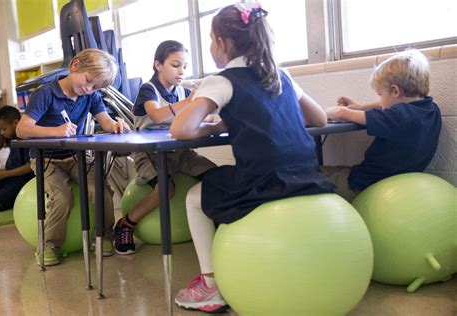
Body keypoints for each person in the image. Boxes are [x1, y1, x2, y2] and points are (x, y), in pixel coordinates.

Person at [170, 3, 335, 313]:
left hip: (261, 181)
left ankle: (210, 286)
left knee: (194, 198)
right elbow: (320, 119)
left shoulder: (222, 79)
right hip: (307, 175)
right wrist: (232, 122)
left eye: (210, 38)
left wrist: (213, 124)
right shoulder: (280, 74)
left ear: (221, 43)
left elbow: (180, 128)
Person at [16, 49, 129, 266]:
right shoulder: (45, 94)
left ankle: (104, 236)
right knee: (62, 197)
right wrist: (55, 131)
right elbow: (22, 129)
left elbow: (104, 120)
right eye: (88, 81)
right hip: (46, 160)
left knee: (101, 188)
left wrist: (115, 125)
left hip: (75, 157)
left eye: (95, 86)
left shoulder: (90, 96)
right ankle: (49, 246)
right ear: (75, 66)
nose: (88, 89)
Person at [114, 40, 216, 255]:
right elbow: (157, 115)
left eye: (185, 67)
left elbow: (191, 119)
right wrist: (190, 101)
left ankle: (217, 221)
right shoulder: (148, 89)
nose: (182, 71)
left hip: (180, 153)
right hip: (149, 154)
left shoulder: (179, 92)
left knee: (216, 175)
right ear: (158, 65)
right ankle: (126, 224)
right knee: (165, 190)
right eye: (175, 65)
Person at [322, 49, 441, 202]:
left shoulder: (396, 117)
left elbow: (342, 114)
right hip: (400, 181)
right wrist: (358, 106)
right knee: (338, 170)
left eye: (380, 93)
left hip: (364, 184)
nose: (380, 99)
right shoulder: (431, 110)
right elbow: (383, 106)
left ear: (395, 91)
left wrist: (325, 111)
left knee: (314, 173)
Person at [0, 106, 33, 212]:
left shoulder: (28, 138)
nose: (1, 133)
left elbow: (31, 166)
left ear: (15, 123)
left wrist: (5, 174)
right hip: (10, 179)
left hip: (22, 182)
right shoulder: (13, 140)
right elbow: (13, 167)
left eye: (4, 129)